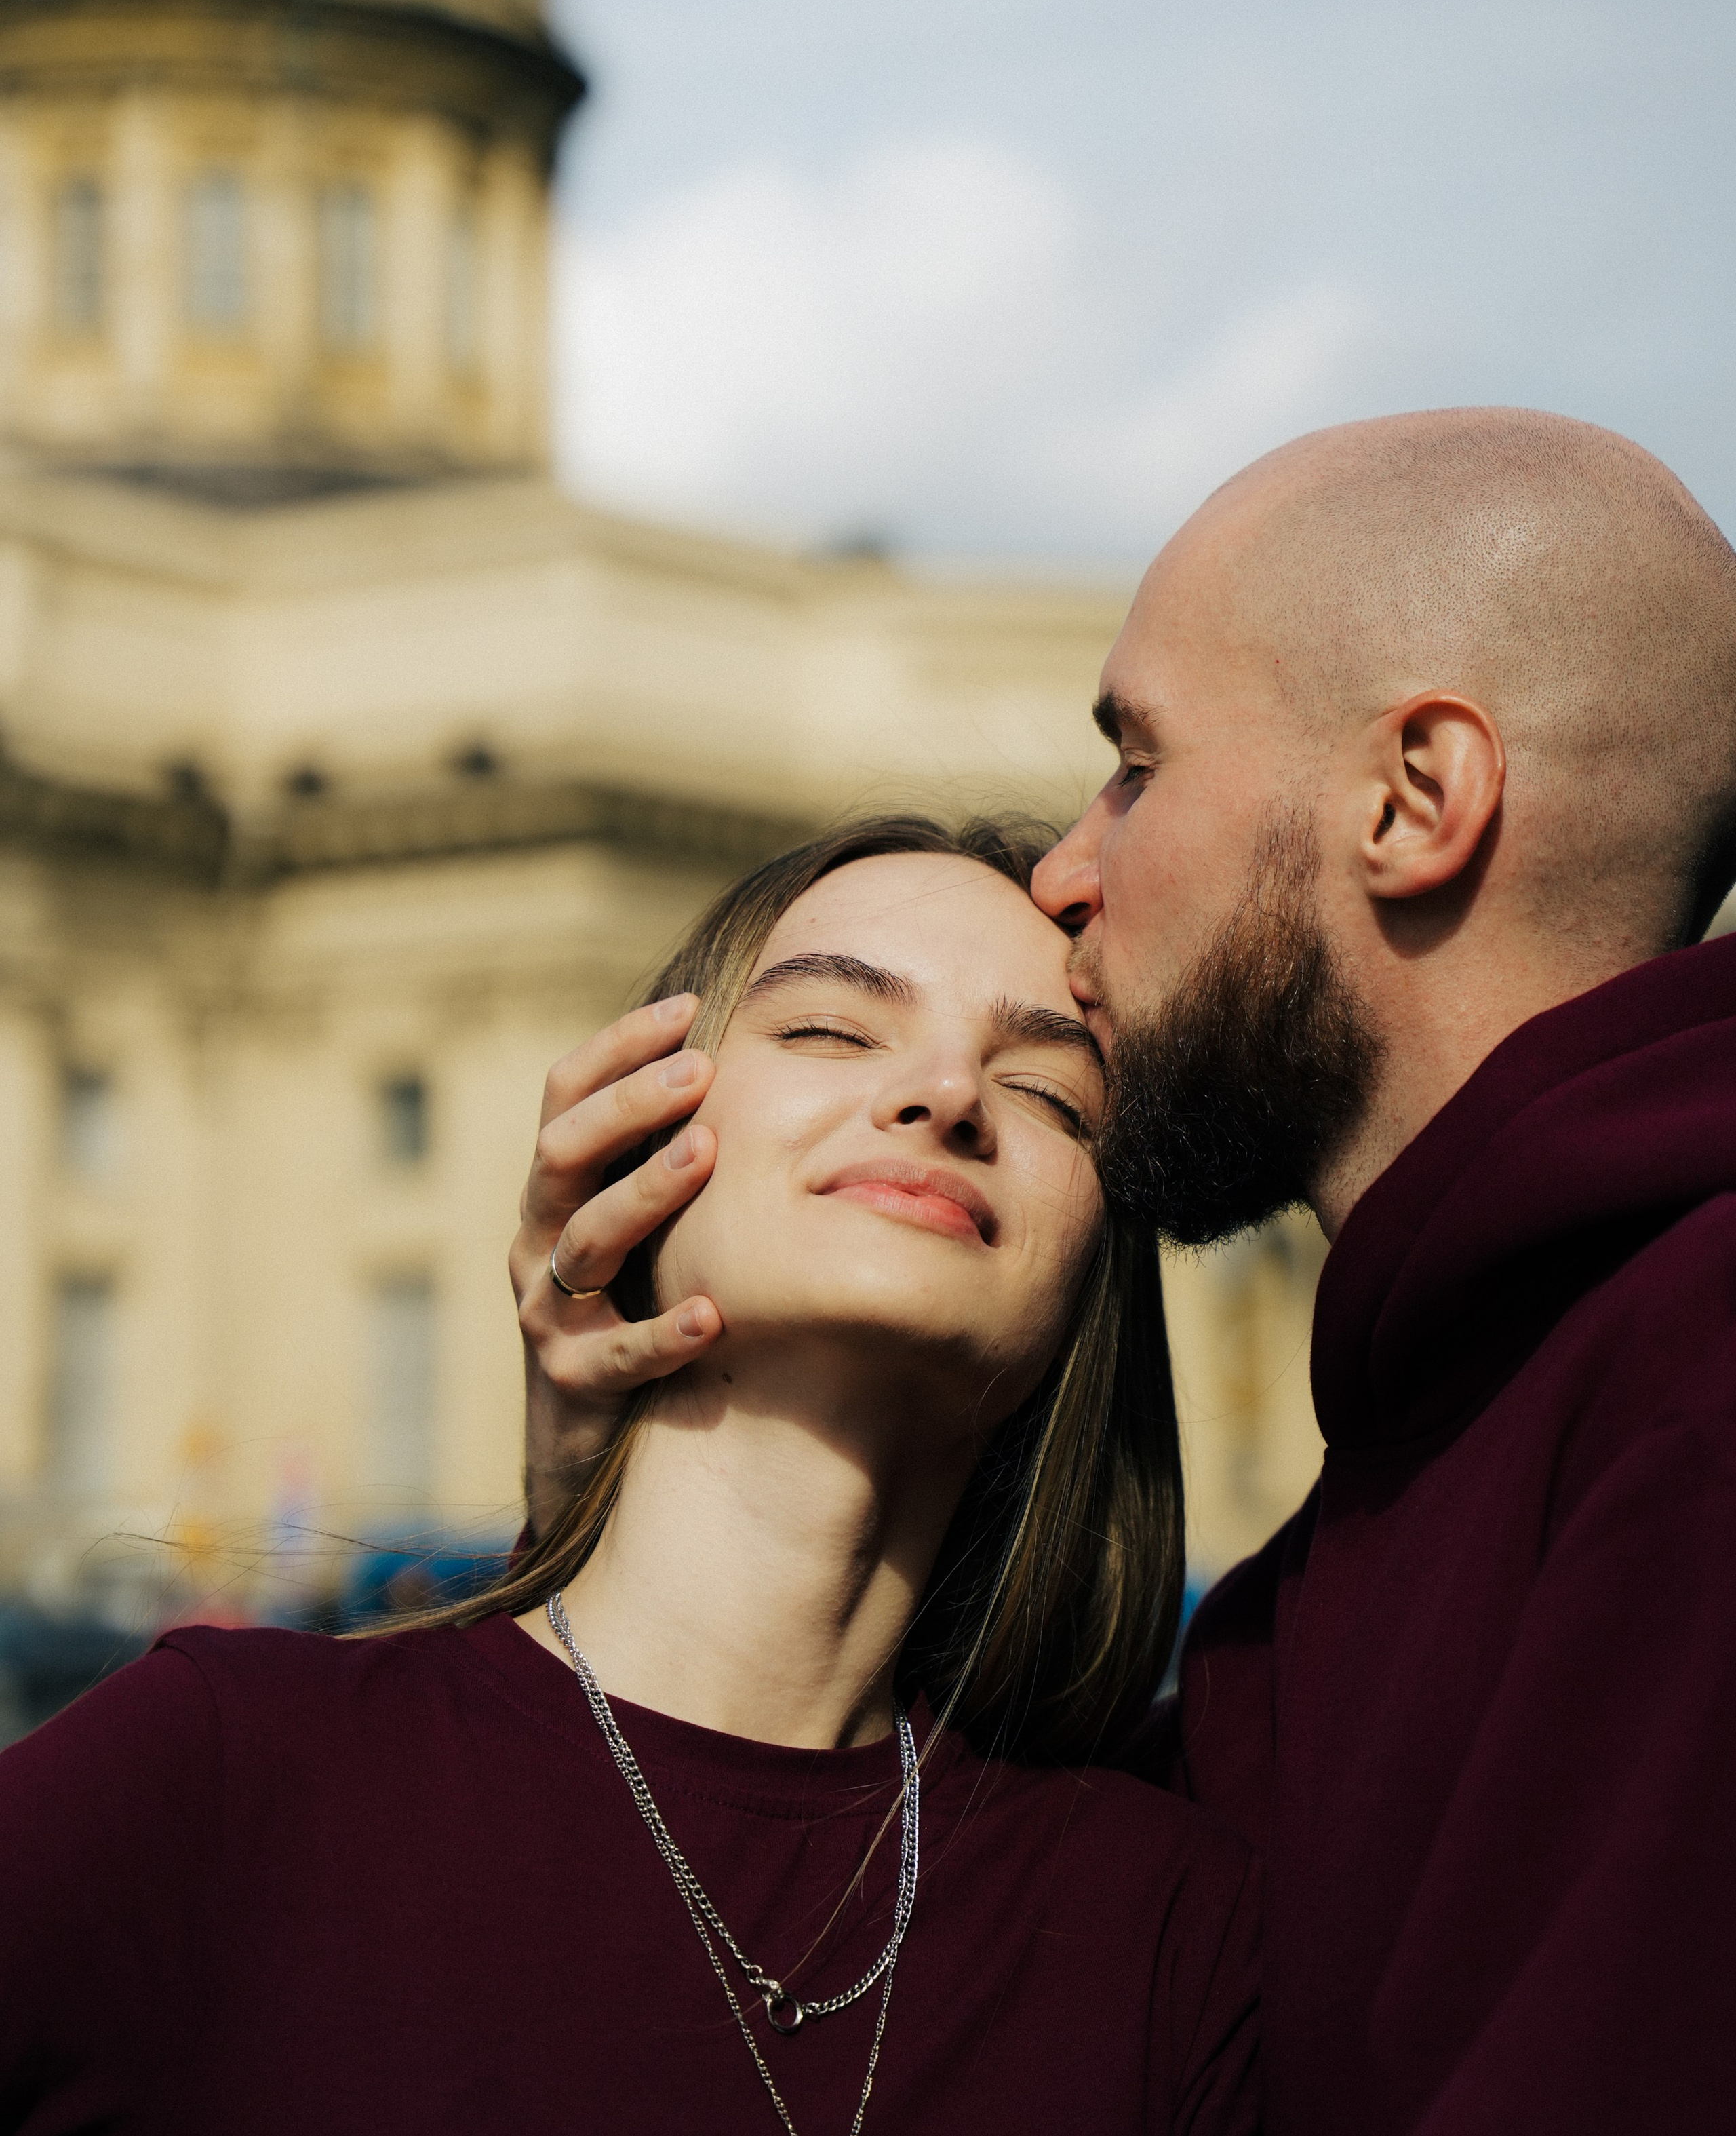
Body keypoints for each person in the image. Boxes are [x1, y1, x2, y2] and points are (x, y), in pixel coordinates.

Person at [522, 408, 1736, 2135]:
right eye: (822, 1024)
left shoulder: (1690, 1387)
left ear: (1414, 798)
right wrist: (595, 1520)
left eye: (1136, 763)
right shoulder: (1309, 1602)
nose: (1065, 870)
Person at [0, 815, 1261, 2136]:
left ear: (1096, 1277)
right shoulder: (224, 1770)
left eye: (1050, 1092)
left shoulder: (1168, 1926)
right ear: (630, 1144)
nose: (946, 1094)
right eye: (831, 1027)